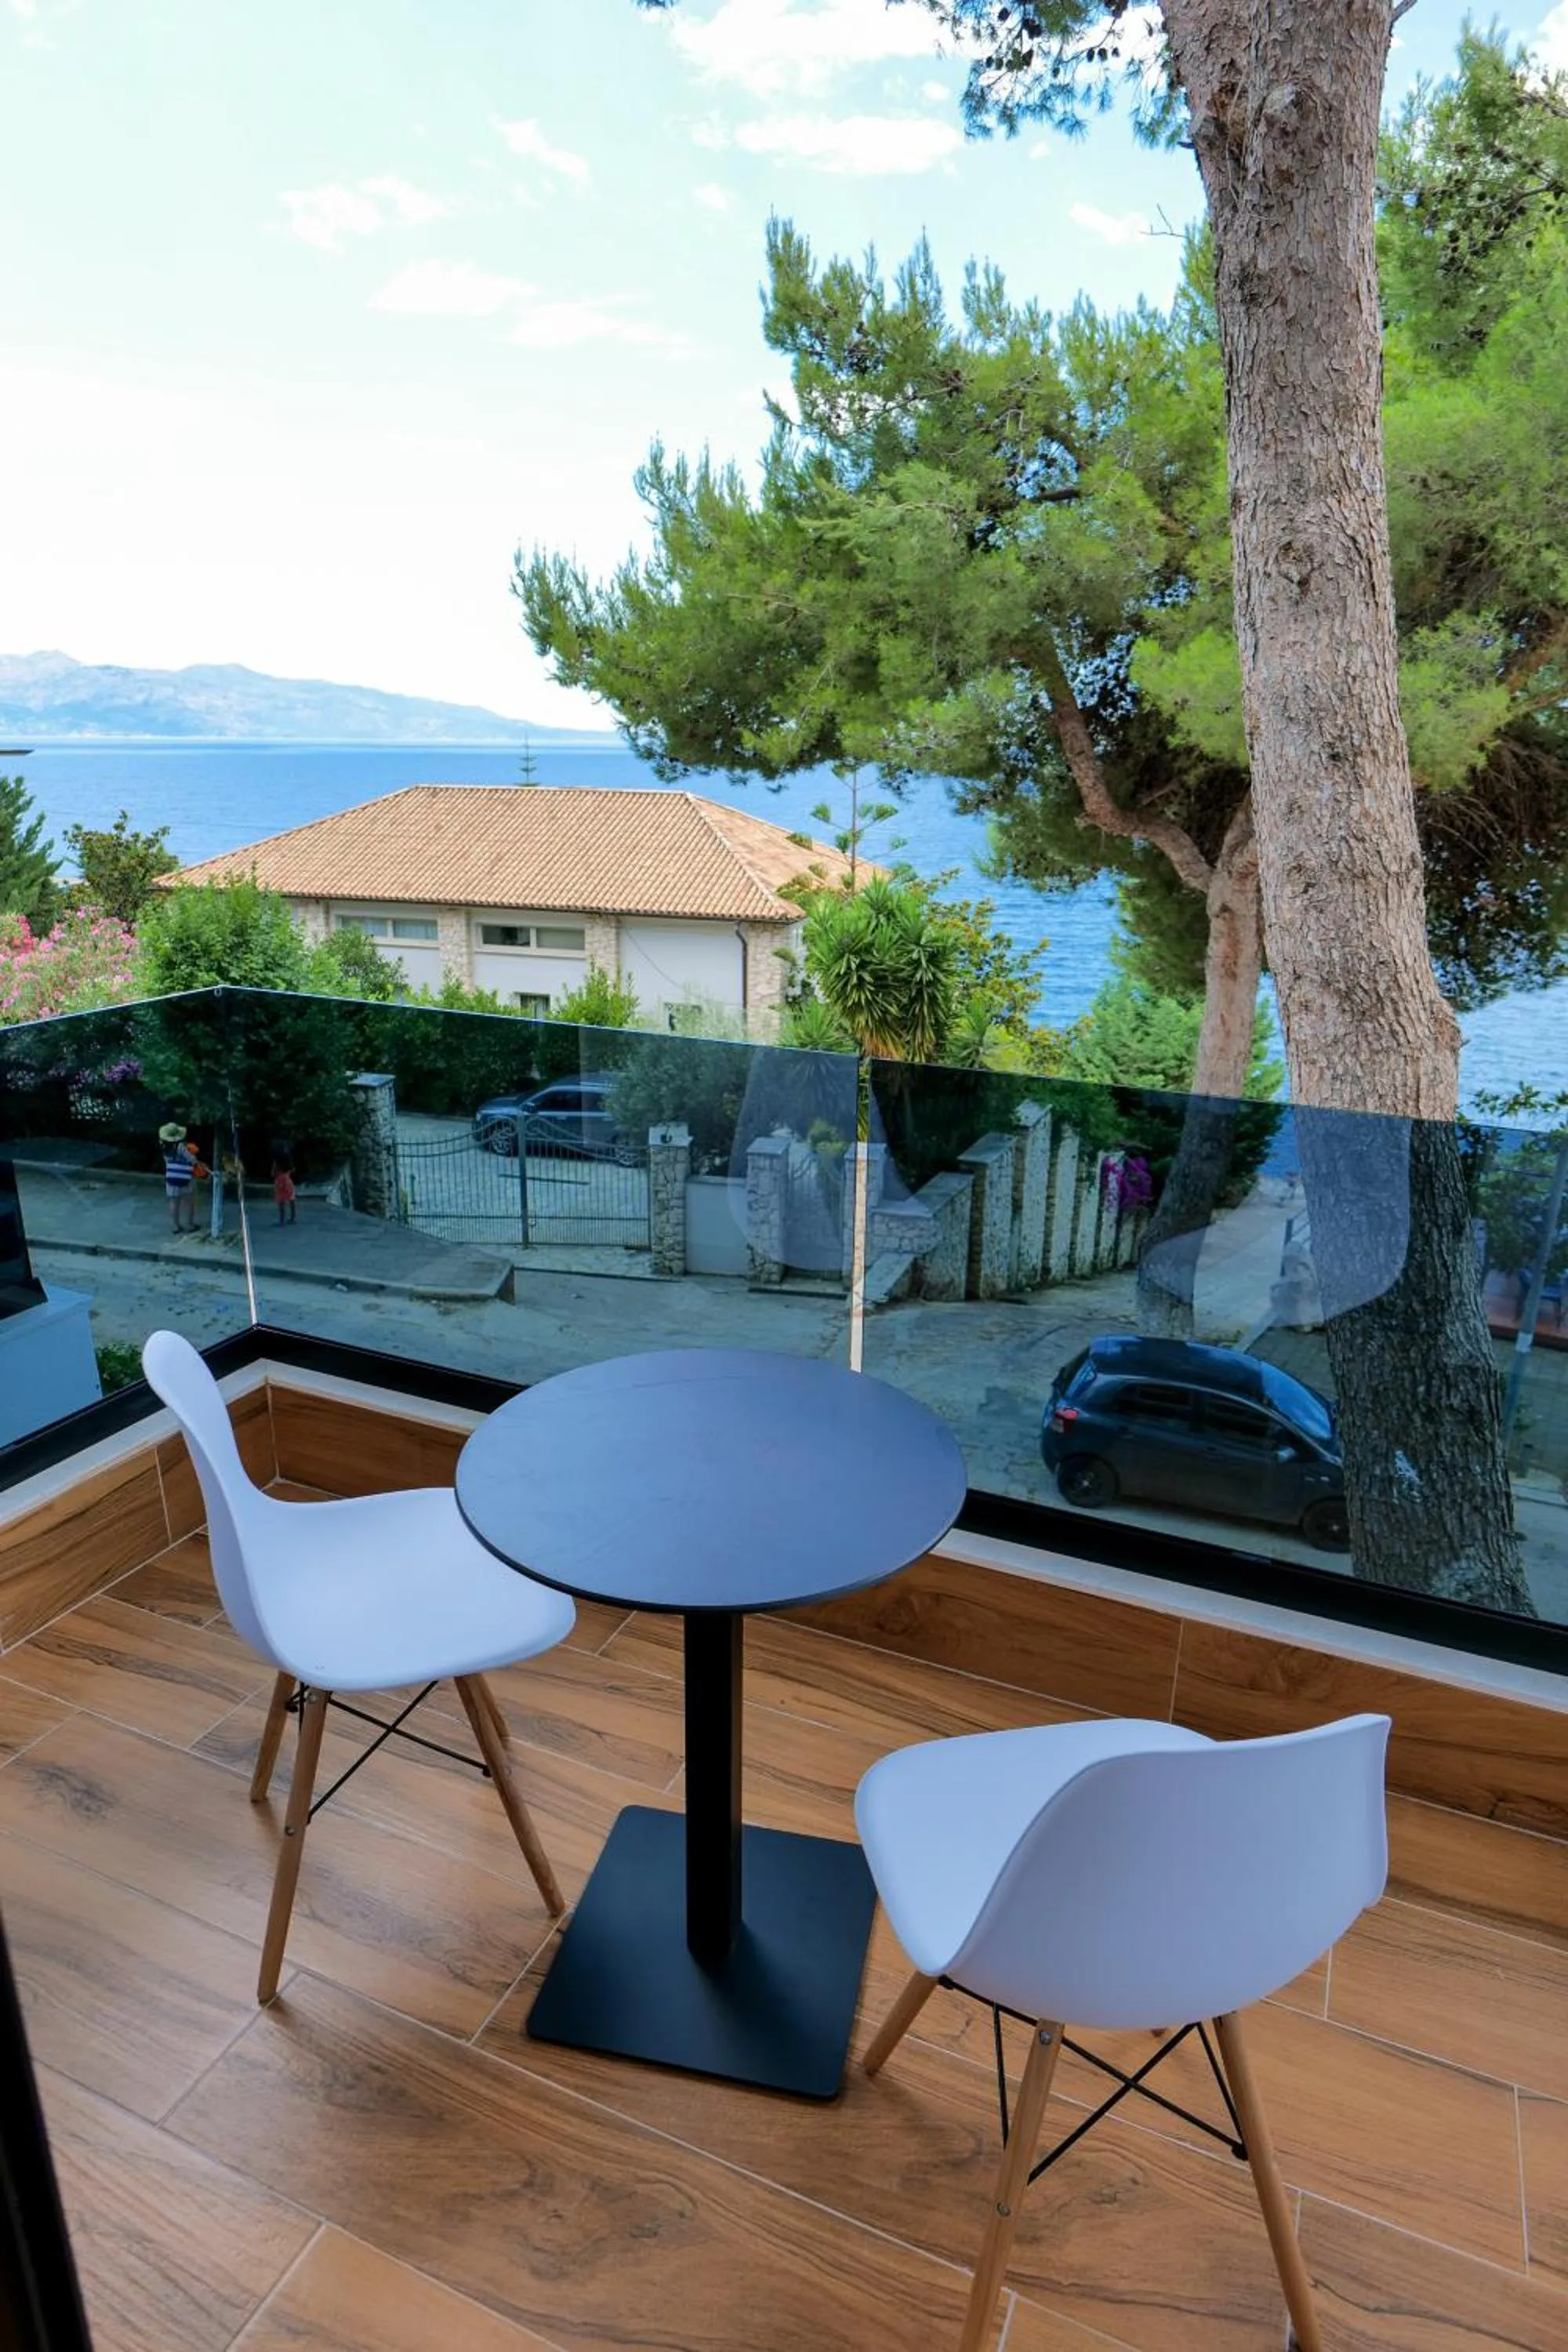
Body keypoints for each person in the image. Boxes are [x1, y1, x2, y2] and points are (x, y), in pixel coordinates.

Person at [159, 1121, 199, 1236]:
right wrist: (195, 1161)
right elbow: (191, 1159)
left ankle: (176, 1226)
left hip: (171, 1179)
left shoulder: (164, 1147)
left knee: (174, 1203)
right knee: (189, 1202)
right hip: (185, 1179)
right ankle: (190, 1225)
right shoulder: (181, 1147)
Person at [270, 1137, 297, 1228]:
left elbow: (273, 1173)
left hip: (279, 1179)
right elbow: (293, 1169)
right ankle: (293, 1218)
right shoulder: (289, 1158)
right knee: (291, 1198)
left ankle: (282, 1220)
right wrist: (287, 1173)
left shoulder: (277, 1160)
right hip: (287, 1178)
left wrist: (276, 1174)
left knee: (281, 1199)